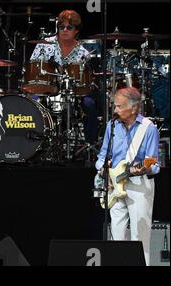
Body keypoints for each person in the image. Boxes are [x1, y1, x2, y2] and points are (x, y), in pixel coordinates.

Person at [95, 87, 160, 265]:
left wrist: (145, 168)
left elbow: (153, 164)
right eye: (114, 106)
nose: (114, 110)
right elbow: (102, 156)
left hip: (138, 184)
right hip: (114, 185)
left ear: (133, 108)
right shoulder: (112, 125)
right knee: (116, 236)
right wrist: (103, 169)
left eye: (118, 106)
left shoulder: (148, 128)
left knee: (140, 237)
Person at [29, 10, 98, 144]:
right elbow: (33, 70)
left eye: (69, 27)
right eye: (61, 27)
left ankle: (91, 145)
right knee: (32, 101)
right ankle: (32, 143)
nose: (65, 30)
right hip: (45, 90)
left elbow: (86, 80)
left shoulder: (83, 53)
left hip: (73, 94)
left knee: (89, 104)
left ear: (76, 31)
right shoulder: (44, 44)